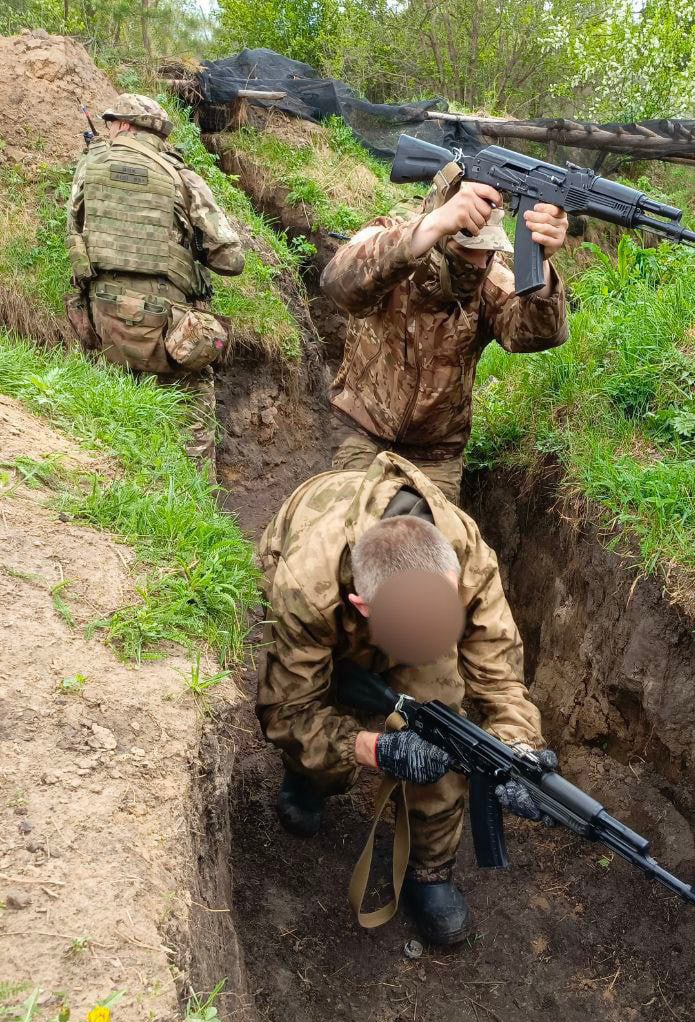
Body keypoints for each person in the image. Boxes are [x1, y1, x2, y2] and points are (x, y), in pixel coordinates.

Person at [256, 450, 556, 946]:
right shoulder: (304, 587)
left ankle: (429, 872)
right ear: (363, 607)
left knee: (446, 722)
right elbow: (288, 709)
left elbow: (501, 679)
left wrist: (519, 747)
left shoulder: (468, 557)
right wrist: (378, 749)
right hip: (314, 581)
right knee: (320, 710)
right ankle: (309, 778)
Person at [320, 162, 570, 502]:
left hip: (437, 455)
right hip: (361, 432)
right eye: (469, 250)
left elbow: (536, 334)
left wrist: (540, 258)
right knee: (355, 532)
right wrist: (435, 223)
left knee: (438, 545)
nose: (478, 263)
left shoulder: (489, 280)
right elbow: (338, 282)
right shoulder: (391, 239)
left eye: (487, 251)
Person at [66, 94, 245, 472]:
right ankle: (195, 500)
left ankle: (108, 482)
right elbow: (231, 260)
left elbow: (75, 228)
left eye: (112, 123)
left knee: (109, 406)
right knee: (195, 397)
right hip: (163, 322)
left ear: (125, 125)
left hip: (102, 317)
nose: (110, 129)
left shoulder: (90, 164)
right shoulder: (182, 176)